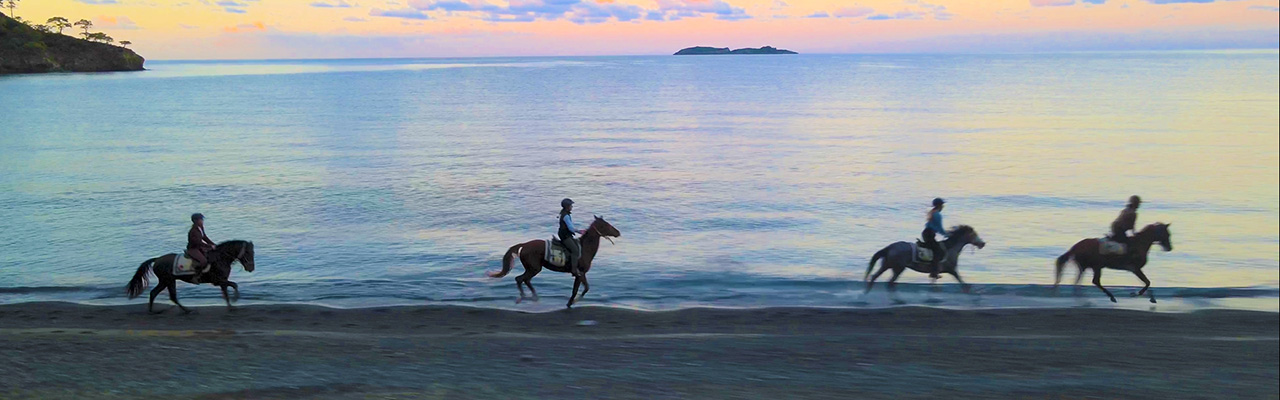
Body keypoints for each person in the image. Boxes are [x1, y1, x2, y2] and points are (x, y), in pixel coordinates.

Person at [558, 198, 586, 276]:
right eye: (571, 205)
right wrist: (580, 231)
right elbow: (570, 228)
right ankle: (574, 270)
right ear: (567, 206)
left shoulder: (564, 213)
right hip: (565, 236)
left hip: (565, 234)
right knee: (575, 250)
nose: (572, 207)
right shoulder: (566, 216)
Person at [187, 213, 216, 283]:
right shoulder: (193, 231)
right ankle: (196, 276)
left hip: (199, 247)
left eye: (202, 220)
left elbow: (205, 237)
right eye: (201, 220)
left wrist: (214, 244)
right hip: (193, 249)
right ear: (195, 221)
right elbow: (198, 242)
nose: (202, 221)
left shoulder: (200, 228)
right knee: (203, 261)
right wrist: (209, 246)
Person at [922, 198, 948, 279]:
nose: (943, 206)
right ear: (939, 206)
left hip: (927, 233)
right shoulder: (937, 214)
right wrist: (947, 234)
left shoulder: (932, 212)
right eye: (942, 205)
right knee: (937, 251)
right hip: (929, 234)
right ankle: (933, 273)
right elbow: (940, 228)